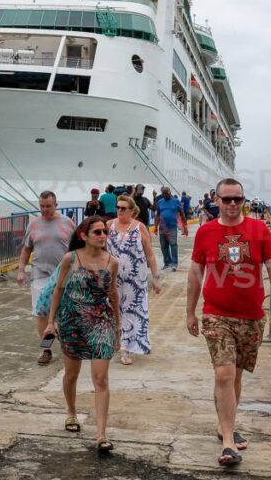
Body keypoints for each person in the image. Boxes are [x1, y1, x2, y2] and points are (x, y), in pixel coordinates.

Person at [186, 178, 271, 467]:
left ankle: (224, 424)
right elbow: (195, 274)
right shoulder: (205, 233)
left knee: (236, 376)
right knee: (224, 374)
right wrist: (189, 311)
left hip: (252, 315)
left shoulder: (259, 230)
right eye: (226, 199)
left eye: (237, 199)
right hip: (216, 313)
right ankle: (229, 442)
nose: (232, 204)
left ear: (244, 200)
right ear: (215, 201)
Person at [45, 216, 121, 454]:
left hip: (101, 322)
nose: (102, 236)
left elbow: (113, 294)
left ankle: (101, 435)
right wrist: (50, 322)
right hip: (72, 321)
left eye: (104, 232)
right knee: (71, 374)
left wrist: (118, 327)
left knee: (100, 379)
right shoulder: (71, 258)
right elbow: (58, 290)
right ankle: (71, 413)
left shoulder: (112, 262)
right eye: (97, 232)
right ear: (84, 236)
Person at [17, 191, 76, 365]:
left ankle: (70, 344)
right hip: (40, 274)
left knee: (65, 311)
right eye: (42, 206)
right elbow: (26, 249)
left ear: (56, 205)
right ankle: (46, 349)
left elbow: (77, 248)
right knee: (41, 312)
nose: (45, 210)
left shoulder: (67, 223)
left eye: (48, 206)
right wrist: (21, 270)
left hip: (63, 274)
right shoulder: (33, 224)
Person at [106, 195, 162, 365]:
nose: (120, 210)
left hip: (135, 279)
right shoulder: (109, 225)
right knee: (113, 309)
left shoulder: (140, 227)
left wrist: (156, 278)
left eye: (123, 208)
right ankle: (114, 341)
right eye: (118, 207)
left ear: (131, 210)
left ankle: (126, 347)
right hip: (112, 277)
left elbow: (150, 254)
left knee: (131, 311)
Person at [153, 187, 184, 271]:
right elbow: (157, 215)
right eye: (163, 193)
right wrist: (155, 227)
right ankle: (167, 263)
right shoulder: (160, 202)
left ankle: (174, 263)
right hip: (162, 227)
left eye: (166, 193)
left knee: (173, 245)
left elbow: (182, 213)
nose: (165, 195)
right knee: (164, 246)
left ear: (170, 192)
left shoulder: (176, 201)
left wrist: (185, 225)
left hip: (172, 227)